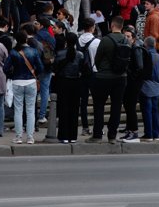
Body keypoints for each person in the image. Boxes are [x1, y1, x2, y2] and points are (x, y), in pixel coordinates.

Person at [87, 16, 128, 144]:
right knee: (116, 107)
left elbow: (97, 59)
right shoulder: (126, 40)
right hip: (121, 77)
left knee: (99, 106)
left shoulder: (105, 40)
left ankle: (97, 134)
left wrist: (101, 69)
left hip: (103, 77)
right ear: (122, 26)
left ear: (112, 26)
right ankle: (112, 135)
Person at [3, 30, 44, 144]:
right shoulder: (33, 51)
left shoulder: (13, 52)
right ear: (26, 39)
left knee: (18, 110)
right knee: (30, 110)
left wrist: (13, 75)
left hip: (17, 82)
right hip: (30, 81)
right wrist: (34, 73)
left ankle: (18, 136)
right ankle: (30, 137)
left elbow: (5, 68)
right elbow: (40, 68)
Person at [54, 32, 84, 143]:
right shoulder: (80, 55)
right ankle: (73, 136)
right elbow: (85, 69)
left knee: (63, 109)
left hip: (63, 82)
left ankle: (64, 135)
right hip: (75, 82)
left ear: (66, 41)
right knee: (74, 110)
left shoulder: (60, 54)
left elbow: (55, 69)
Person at [140, 36, 159, 141]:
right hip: (157, 87)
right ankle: (156, 133)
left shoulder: (145, 56)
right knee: (155, 110)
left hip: (146, 86)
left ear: (145, 45)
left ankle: (149, 133)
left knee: (147, 110)